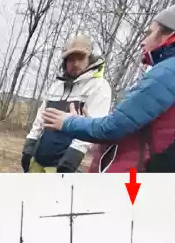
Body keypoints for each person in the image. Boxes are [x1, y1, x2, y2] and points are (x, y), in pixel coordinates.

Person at [42, 0, 175, 198]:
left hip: (129, 182)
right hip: (152, 184)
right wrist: (90, 123)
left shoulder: (174, 70)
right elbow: (142, 129)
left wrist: (69, 123)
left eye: (150, 33)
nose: (142, 42)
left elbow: (114, 127)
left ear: (169, 34)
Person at [21, 35, 112, 173]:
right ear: (65, 62)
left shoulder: (99, 87)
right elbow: (41, 117)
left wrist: (73, 157)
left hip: (61, 164)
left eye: (80, 58)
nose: (75, 64)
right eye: (71, 59)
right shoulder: (57, 86)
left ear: (89, 58)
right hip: (39, 158)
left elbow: (93, 127)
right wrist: (30, 143)